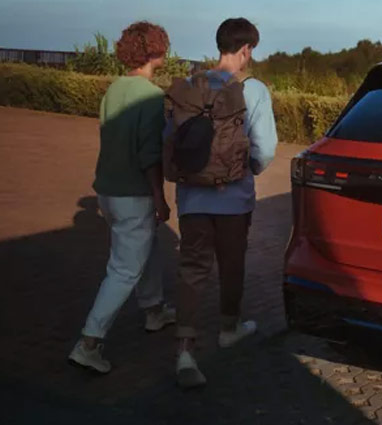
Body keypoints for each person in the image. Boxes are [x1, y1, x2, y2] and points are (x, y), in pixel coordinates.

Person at [172, 17, 277, 388]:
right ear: (246, 50)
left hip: (191, 198)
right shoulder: (254, 90)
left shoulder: (189, 86)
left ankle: (185, 349)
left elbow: (173, 140)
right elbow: (265, 150)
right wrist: (243, 171)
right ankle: (228, 329)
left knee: (192, 269)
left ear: (220, 45)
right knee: (231, 265)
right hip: (233, 198)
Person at [68, 21, 175, 374]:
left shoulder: (114, 89)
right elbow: (149, 154)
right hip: (134, 192)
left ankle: (154, 310)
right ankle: (89, 342)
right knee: (124, 268)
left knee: (146, 250)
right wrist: (159, 196)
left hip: (108, 190)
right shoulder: (152, 97)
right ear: (156, 51)